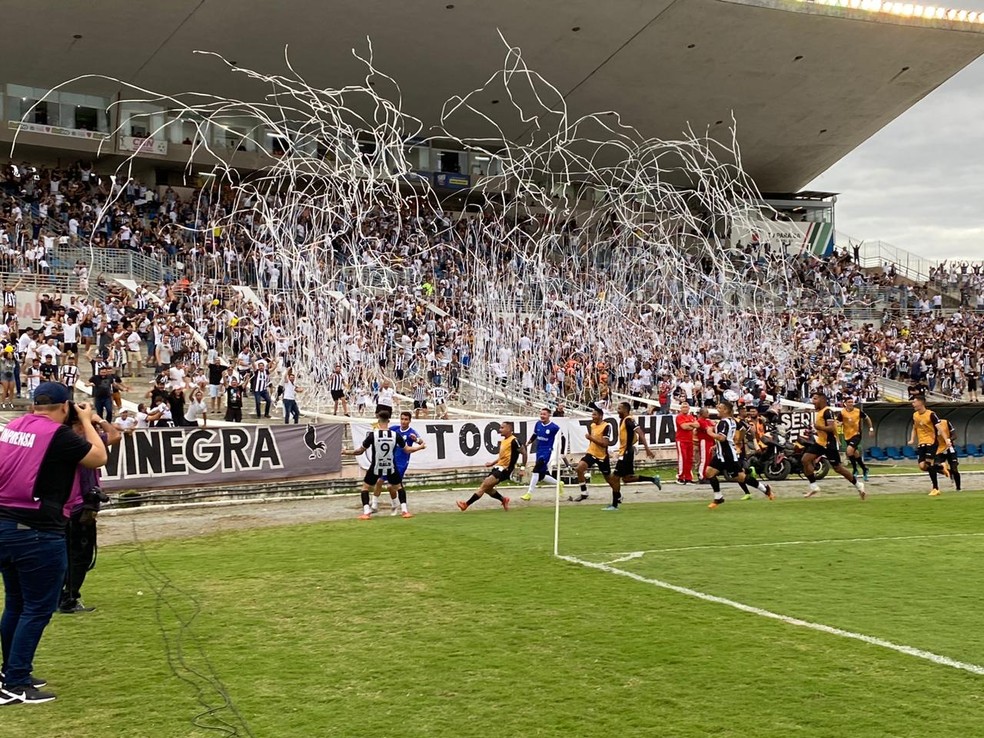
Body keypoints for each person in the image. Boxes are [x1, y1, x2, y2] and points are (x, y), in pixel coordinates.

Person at [0, 383, 107, 704]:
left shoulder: (13, 426)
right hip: (37, 529)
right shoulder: (58, 436)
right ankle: (15, 682)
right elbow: (98, 457)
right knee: (37, 608)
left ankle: (10, 672)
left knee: (16, 604)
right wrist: (87, 421)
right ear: (65, 407)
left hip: (5, 523)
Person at [59, 404, 121, 615]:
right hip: (78, 506)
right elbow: (114, 436)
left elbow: (114, 436)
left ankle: (62, 595)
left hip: (71, 507)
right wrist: (94, 419)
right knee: (79, 556)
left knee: (69, 555)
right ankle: (69, 598)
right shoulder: (80, 444)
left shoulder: (68, 442)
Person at [705, 400, 773, 509]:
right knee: (709, 473)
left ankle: (765, 489)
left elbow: (722, 438)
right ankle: (718, 497)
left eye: (720, 408)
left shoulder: (724, 422)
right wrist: (734, 441)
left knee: (741, 477)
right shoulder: (732, 421)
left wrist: (710, 432)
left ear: (726, 410)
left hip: (727, 455)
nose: (718, 409)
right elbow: (742, 431)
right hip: (721, 453)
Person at [342, 410, 407, 520]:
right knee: (399, 487)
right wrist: (420, 446)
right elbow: (407, 449)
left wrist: (346, 452)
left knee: (365, 488)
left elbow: (360, 451)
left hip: (376, 466)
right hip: (390, 465)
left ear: (378, 421)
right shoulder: (395, 435)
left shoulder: (373, 435)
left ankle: (367, 511)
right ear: (389, 421)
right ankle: (405, 511)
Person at [803, 392, 866, 500]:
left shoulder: (828, 411)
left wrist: (819, 427)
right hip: (820, 443)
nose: (813, 401)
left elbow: (832, 428)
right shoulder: (820, 412)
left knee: (838, 468)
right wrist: (814, 430)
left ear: (822, 400)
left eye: (815, 399)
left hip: (829, 444)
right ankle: (814, 487)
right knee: (805, 460)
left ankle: (858, 485)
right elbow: (822, 429)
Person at [456, 420, 526, 511]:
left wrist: (522, 468)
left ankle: (466, 504)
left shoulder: (514, 441)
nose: (499, 430)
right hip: (498, 468)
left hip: (505, 470)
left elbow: (524, 453)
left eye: (502, 428)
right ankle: (503, 499)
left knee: (484, 485)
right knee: (488, 489)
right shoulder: (504, 441)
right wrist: (492, 463)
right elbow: (503, 457)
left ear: (509, 429)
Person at [606, 402, 662, 510]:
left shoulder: (628, 420)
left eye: (619, 408)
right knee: (626, 479)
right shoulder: (623, 420)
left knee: (614, 478)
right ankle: (653, 479)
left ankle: (615, 503)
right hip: (626, 452)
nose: (617, 410)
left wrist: (647, 449)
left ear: (626, 410)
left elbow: (640, 432)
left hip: (627, 452)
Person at [372, 411, 425, 517]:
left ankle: (398, 506)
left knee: (391, 486)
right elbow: (383, 431)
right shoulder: (394, 429)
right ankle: (374, 506)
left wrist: (417, 440)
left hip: (401, 462)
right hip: (390, 461)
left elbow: (422, 442)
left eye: (406, 419)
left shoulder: (411, 433)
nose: (403, 421)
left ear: (410, 421)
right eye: (402, 419)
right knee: (379, 481)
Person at [571, 405, 614, 503]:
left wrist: (591, 438)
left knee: (608, 478)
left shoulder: (606, 426)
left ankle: (617, 494)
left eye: (594, 415)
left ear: (600, 416)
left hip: (602, 456)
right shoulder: (592, 425)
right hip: (591, 453)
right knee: (579, 468)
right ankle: (584, 493)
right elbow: (593, 440)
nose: (592, 417)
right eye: (592, 415)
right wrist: (590, 446)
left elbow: (605, 444)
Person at [521, 407, 564, 501]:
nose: (542, 416)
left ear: (549, 415)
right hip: (539, 450)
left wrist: (561, 452)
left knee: (536, 469)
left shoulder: (554, 427)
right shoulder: (538, 424)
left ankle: (529, 494)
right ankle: (559, 483)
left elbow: (562, 437)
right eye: (541, 414)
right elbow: (535, 434)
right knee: (541, 476)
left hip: (547, 451)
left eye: (544, 414)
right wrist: (529, 442)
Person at [909, 395, 944, 496]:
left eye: (914, 402)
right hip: (921, 443)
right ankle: (940, 468)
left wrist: (944, 438)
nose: (913, 404)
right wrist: (912, 439)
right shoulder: (915, 415)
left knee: (928, 464)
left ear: (921, 403)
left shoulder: (931, 414)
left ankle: (935, 488)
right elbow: (914, 428)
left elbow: (939, 427)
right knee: (922, 466)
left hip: (932, 442)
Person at [839, 397, 874, 482]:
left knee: (849, 451)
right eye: (849, 402)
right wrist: (839, 425)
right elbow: (838, 422)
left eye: (852, 402)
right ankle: (864, 469)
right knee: (855, 453)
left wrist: (871, 428)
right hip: (847, 436)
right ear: (845, 403)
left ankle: (855, 470)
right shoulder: (842, 412)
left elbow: (867, 418)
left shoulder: (857, 411)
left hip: (856, 435)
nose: (851, 404)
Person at [674, 401, 698, 484]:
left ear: (689, 408)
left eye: (686, 407)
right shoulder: (679, 417)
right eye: (683, 407)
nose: (685, 409)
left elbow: (697, 425)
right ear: (680, 409)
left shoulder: (691, 416)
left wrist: (689, 425)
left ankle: (688, 478)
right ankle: (680, 477)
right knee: (682, 458)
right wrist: (691, 425)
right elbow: (684, 427)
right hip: (681, 440)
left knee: (689, 459)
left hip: (689, 440)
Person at [935, 416, 961, 492]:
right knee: (935, 466)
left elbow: (954, 435)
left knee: (955, 469)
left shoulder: (945, 422)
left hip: (949, 448)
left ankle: (958, 488)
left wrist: (949, 439)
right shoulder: (930, 426)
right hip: (939, 450)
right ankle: (949, 473)